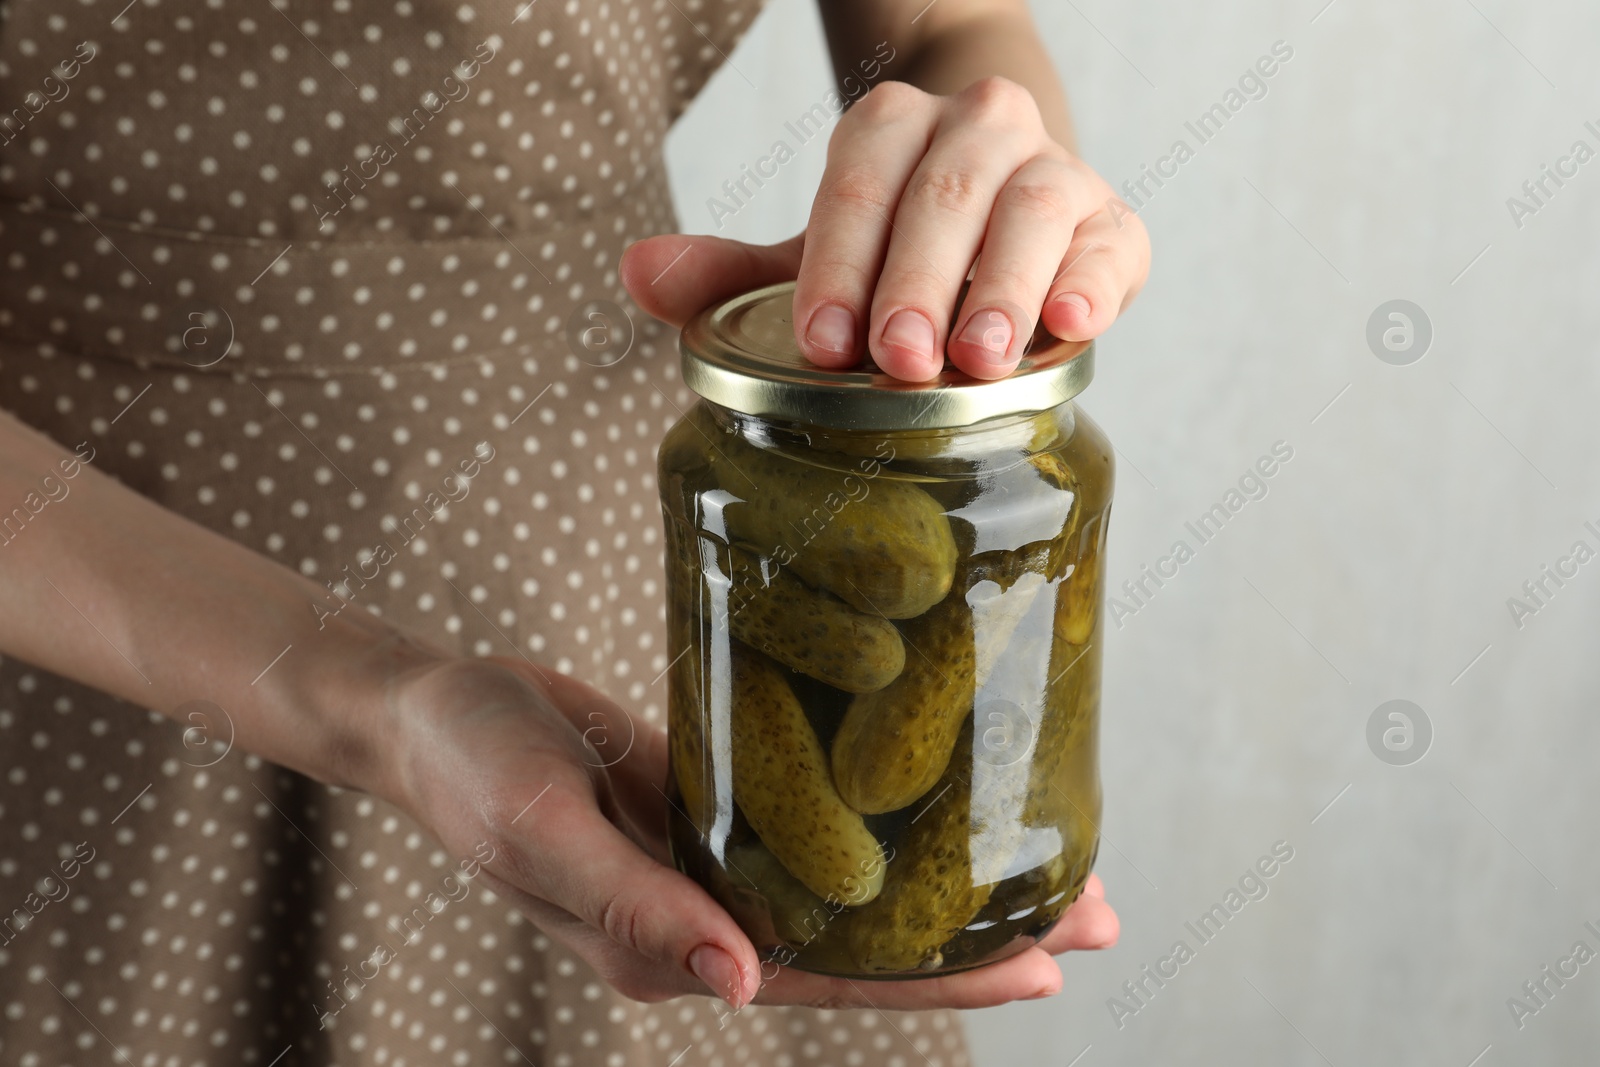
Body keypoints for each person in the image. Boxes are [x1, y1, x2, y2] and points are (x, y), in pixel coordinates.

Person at [0, 0, 1147, 1062]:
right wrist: (379, 696)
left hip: (618, 618)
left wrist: (986, 196)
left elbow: (949, 23)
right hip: (89, 608)